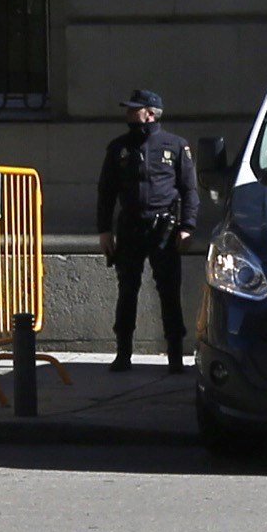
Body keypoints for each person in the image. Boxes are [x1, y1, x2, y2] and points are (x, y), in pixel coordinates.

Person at [93, 87, 199, 370]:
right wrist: (104, 230)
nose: (128, 113)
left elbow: (189, 190)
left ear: (150, 114)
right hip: (130, 227)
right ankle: (123, 353)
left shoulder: (175, 146)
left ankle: (175, 356)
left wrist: (187, 226)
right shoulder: (119, 148)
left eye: (134, 109)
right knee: (127, 290)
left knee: (168, 292)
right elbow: (106, 191)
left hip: (164, 228)